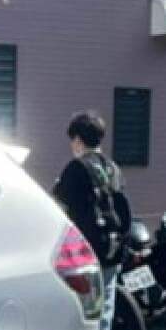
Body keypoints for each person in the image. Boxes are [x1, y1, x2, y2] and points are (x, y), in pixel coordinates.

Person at [52, 109, 128, 264]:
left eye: (72, 141)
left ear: (78, 140)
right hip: (113, 252)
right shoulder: (114, 168)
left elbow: (56, 208)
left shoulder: (76, 168)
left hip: (85, 253)